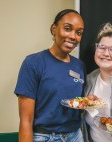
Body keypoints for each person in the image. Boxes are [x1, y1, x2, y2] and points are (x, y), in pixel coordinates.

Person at [14, 9, 86, 142]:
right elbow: (26, 121)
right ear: (54, 29)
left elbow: (77, 104)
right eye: (67, 28)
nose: (73, 36)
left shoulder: (79, 66)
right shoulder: (33, 63)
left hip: (75, 136)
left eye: (79, 32)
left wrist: (88, 101)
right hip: (45, 137)